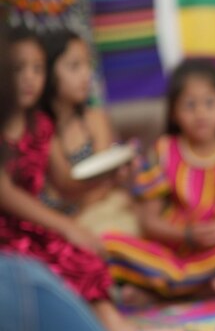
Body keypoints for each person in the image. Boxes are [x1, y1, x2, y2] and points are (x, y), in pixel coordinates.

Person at [0, 26, 141, 331]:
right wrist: (68, 226)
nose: (29, 78)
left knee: (83, 258)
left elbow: (66, 185)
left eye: (37, 69)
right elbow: (5, 191)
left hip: (36, 226)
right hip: (8, 234)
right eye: (17, 68)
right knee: (49, 264)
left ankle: (112, 320)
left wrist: (112, 176)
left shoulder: (40, 126)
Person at [103, 59, 215, 306]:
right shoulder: (163, 151)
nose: (200, 113)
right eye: (190, 105)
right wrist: (186, 234)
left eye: (210, 103)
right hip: (169, 250)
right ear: (173, 112)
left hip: (213, 253)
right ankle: (196, 290)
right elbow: (150, 222)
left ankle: (161, 293)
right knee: (109, 244)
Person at [38, 29, 127, 223]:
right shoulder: (39, 128)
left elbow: (104, 180)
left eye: (88, 64)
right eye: (74, 66)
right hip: (52, 222)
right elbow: (66, 184)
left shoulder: (95, 119)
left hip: (94, 214)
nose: (87, 74)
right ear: (48, 71)